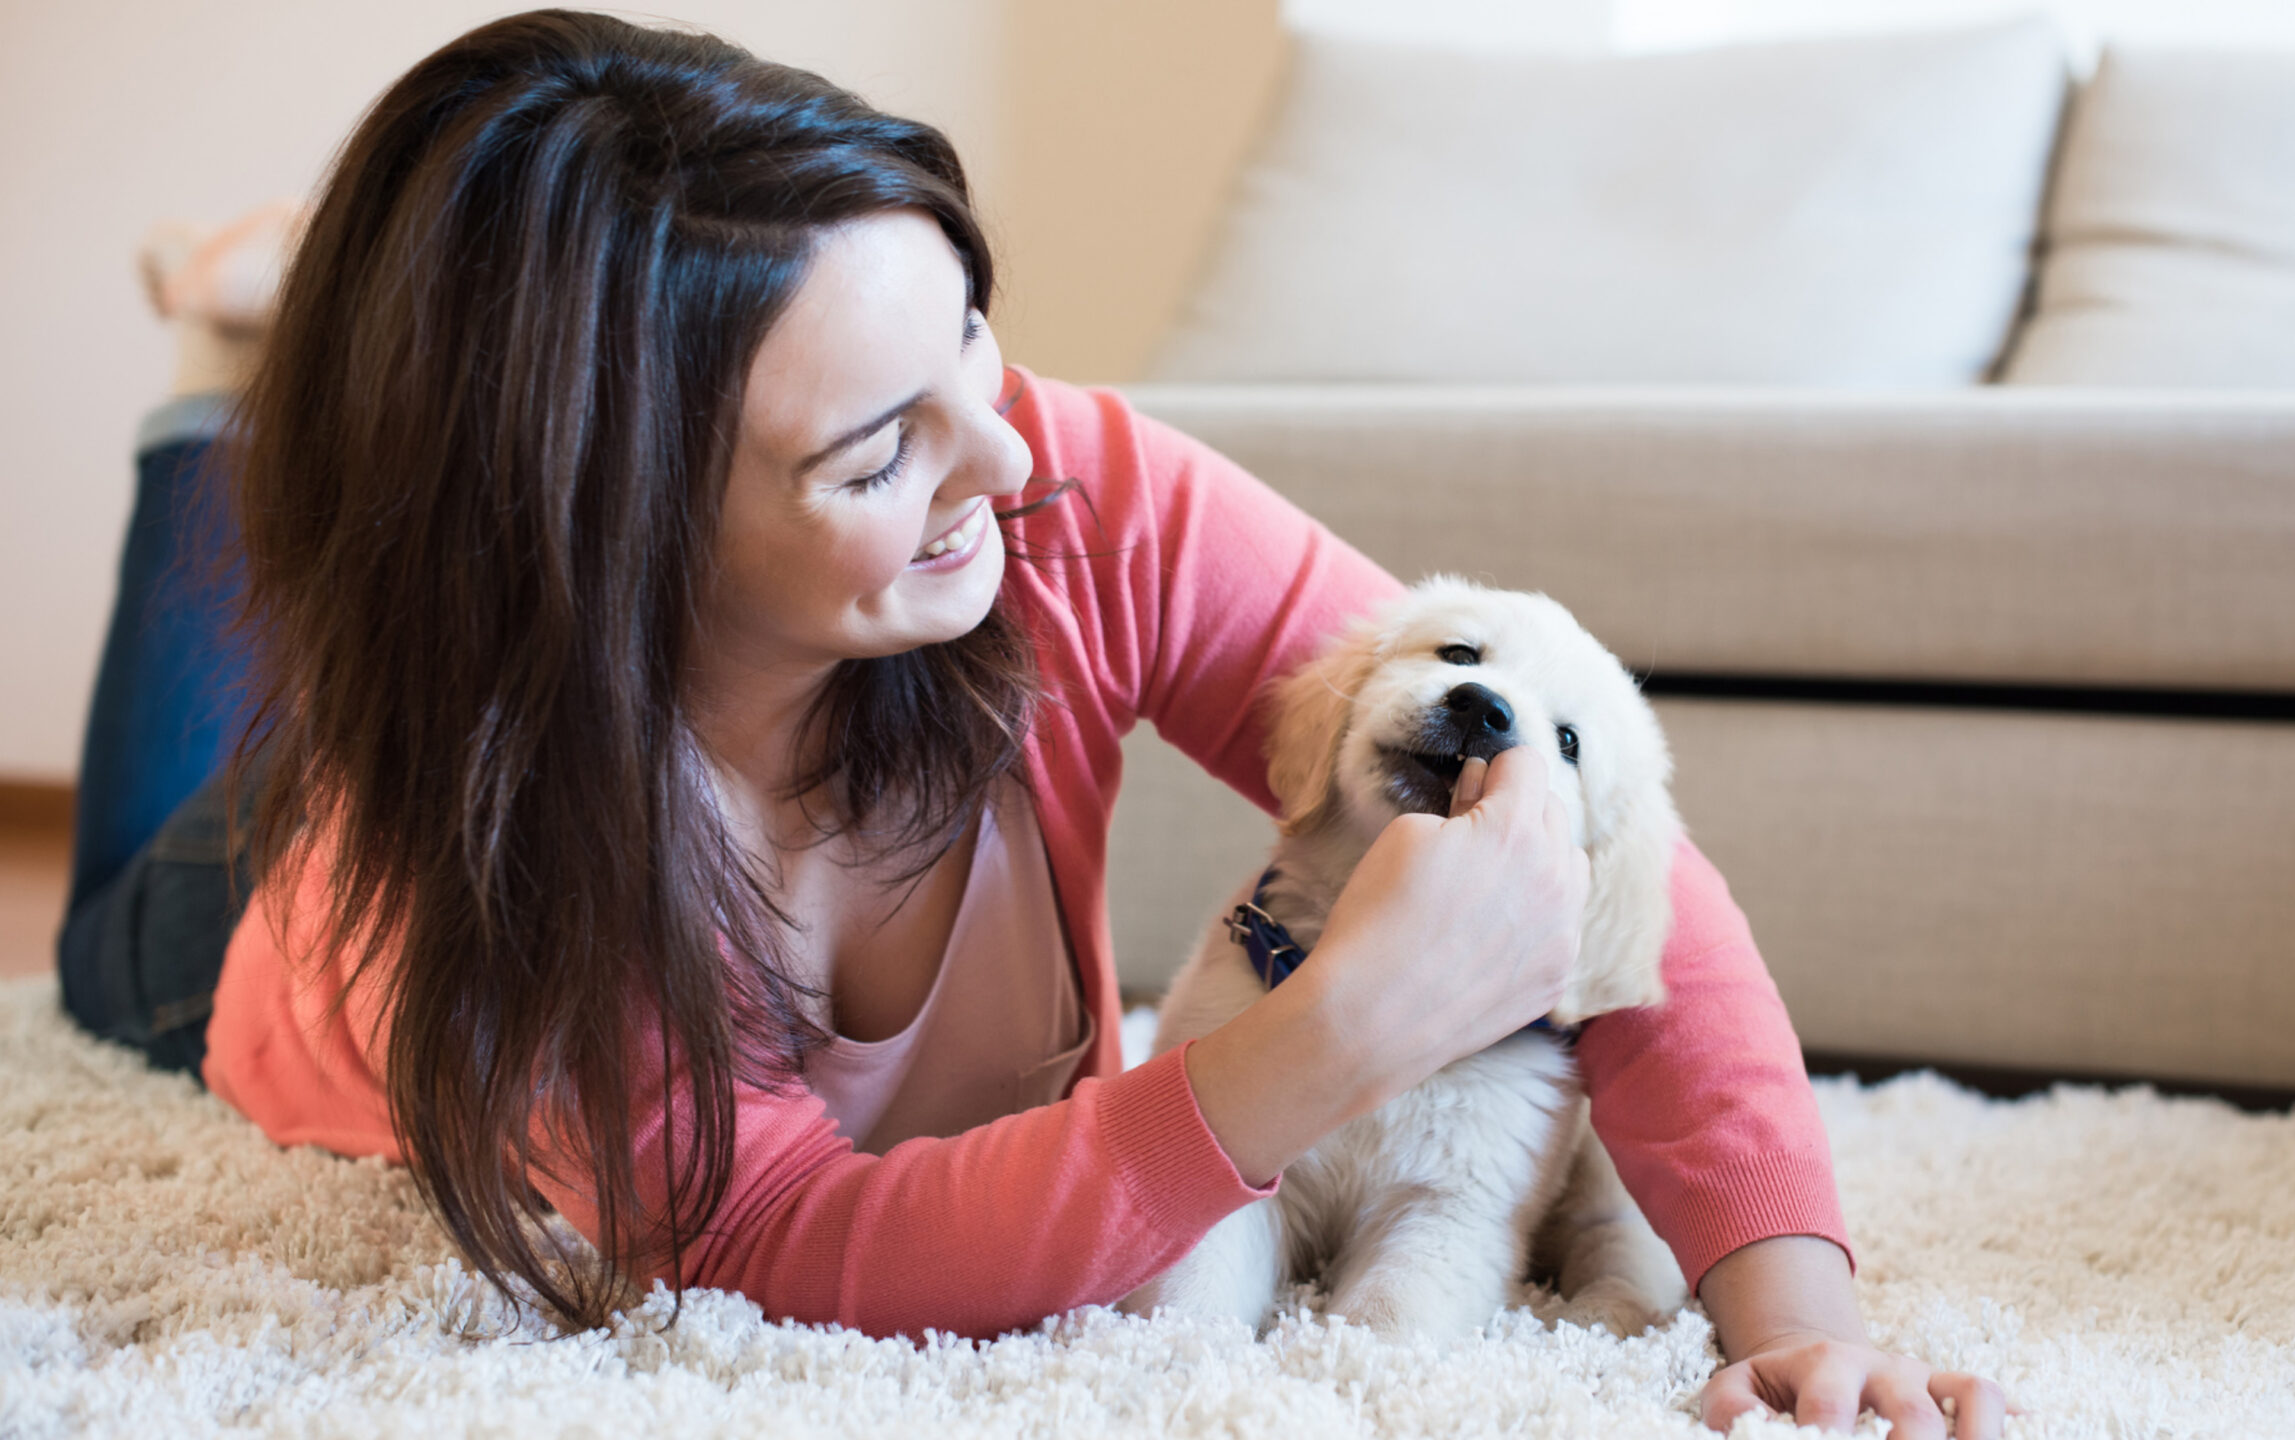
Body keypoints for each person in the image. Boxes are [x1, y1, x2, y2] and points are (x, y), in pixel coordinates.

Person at [56, 11, 2003, 1435]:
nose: (1007, 454)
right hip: (260, 926)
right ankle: (220, 366)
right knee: (182, 763)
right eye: (876, 444)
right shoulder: (502, 870)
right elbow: (796, 1248)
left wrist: (1786, 1313)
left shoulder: (1055, 484)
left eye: (968, 333)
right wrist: (1330, 1039)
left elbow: (1599, 856)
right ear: (619, 538)